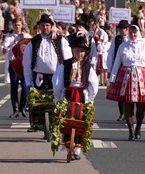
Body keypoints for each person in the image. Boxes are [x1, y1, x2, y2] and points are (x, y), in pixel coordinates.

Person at [107, 25, 145, 140]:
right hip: (127, 77)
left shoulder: (144, 46)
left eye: (135, 32)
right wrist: (112, 79)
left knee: (141, 106)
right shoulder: (123, 46)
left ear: (138, 33)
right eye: (131, 32)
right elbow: (117, 63)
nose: (133, 35)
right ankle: (130, 130)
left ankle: (138, 127)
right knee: (128, 104)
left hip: (142, 77)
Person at [52, 30, 99, 160]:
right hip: (68, 94)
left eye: (82, 51)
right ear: (72, 50)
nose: (80, 53)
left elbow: (93, 84)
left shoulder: (88, 66)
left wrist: (90, 99)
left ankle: (77, 148)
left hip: (81, 95)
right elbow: (58, 81)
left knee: (81, 121)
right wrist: (58, 96)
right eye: (77, 50)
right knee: (67, 120)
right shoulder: (65, 65)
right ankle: (68, 145)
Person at [23, 13, 72, 132]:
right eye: (43, 25)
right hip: (39, 77)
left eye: (47, 25)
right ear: (39, 27)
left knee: (57, 101)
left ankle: (57, 124)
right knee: (39, 102)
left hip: (57, 76)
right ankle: (37, 124)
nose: (45, 27)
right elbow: (27, 64)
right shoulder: (33, 43)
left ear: (51, 26)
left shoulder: (61, 41)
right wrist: (28, 82)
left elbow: (68, 59)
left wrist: (68, 77)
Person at [2, 18, 30, 118]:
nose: (17, 27)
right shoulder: (9, 37)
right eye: (15, 25)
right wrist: (5, 48)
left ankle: (22, 108)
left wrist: (23, 39)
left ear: (21, 25)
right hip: (13, 64)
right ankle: (15, 109)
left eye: (19, 25)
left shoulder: (26, 36)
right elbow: (4, 48)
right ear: (13, 26)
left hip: (23, 65)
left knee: (24, 86)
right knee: (13, 87)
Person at [106, 20, 129, 121]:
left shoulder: (131, 39)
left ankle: (129, 112)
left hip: (129, 67)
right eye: (119, 29)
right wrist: (110, 68)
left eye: (122, 29)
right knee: (120, 91)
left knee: (128, 91)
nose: (120, 31)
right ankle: (122, 113)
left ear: (127, 29)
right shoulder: (116, 39)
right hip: (119, 67)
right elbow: (111, 53)